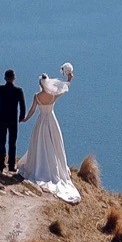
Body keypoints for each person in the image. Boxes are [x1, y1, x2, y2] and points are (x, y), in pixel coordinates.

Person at [19, 63, 78, 202]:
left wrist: (25, 119)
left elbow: (32, 110)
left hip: (41, 122)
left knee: (39, 144)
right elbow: (65, 89)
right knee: (55, 144)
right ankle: (55, 169)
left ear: (40, 83)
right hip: (52, 121)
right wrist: (69, 79)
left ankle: (39, 168)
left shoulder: (37, 96)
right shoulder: (52, 95)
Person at [0, 65, 26, 173]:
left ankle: (1, 164)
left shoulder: (2, 89)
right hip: (13, 119)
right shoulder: (18, 91)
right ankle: (11, 165)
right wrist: (21, 116)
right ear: (14, 78)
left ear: (5, 78)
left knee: (2, 141)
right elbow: (22, 105)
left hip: (2, 118)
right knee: (12, 142)